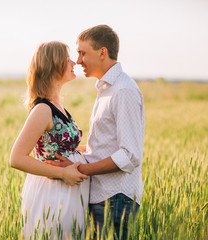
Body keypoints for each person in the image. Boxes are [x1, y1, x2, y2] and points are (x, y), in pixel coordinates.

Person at [46, 25, 145, 239]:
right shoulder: (107, 89)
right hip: (103, 195)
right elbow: (103, 145)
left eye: (83, 53)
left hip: (116, 198)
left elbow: (129, 155)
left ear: (102, 52)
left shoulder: (123, 90)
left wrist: (79, 169)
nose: (78, 60)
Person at [10, 41, 90, 239]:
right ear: (54, 65)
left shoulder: (57, 105)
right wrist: (63, 174)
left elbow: (59, 148)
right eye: (67, 58)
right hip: (53, 192)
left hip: (68, 190)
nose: (74, 62)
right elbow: (17, 158)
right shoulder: (43, 109)